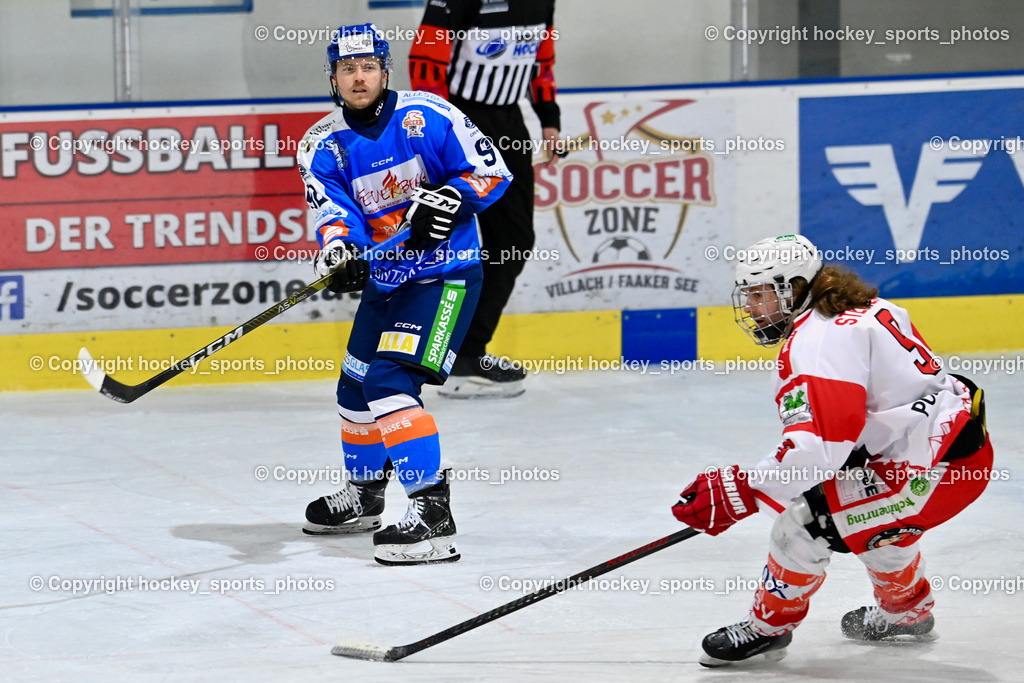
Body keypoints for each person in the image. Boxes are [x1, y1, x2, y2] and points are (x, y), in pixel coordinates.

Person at [671, 234, 993, 666]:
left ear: (793, 288)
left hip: (929, 471)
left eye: (759, 294)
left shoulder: (816, 341)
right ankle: (906, 613)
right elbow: (877, 408)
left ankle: (768, 627)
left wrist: (742, 489)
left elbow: (819, 446)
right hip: (950, 454)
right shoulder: (863, 310)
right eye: (747, 295)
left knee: (803, 526)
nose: (749, 308)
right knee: (866, 518)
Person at [296, 23, 510, 565]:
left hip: (446, 275)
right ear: (333, 78)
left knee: (390, 380)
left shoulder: (428, 115)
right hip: (386, 280)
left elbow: (490, 171)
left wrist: (448, 201)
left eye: (368, 66)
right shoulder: (321, 144)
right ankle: (366, 497)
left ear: (385, 71)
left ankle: (432, 515)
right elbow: (332, 211)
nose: (359, 77)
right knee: (354, 387)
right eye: (348, 69)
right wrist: (339, 252)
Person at [410, 0, 561, 398]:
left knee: (512, 242)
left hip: (508, 123)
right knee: (443, 243)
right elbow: (426, 62)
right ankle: (419, 354)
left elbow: (542, 60)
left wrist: (549, 120)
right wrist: (436, 132)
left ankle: (466, 354)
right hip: (458, 121)